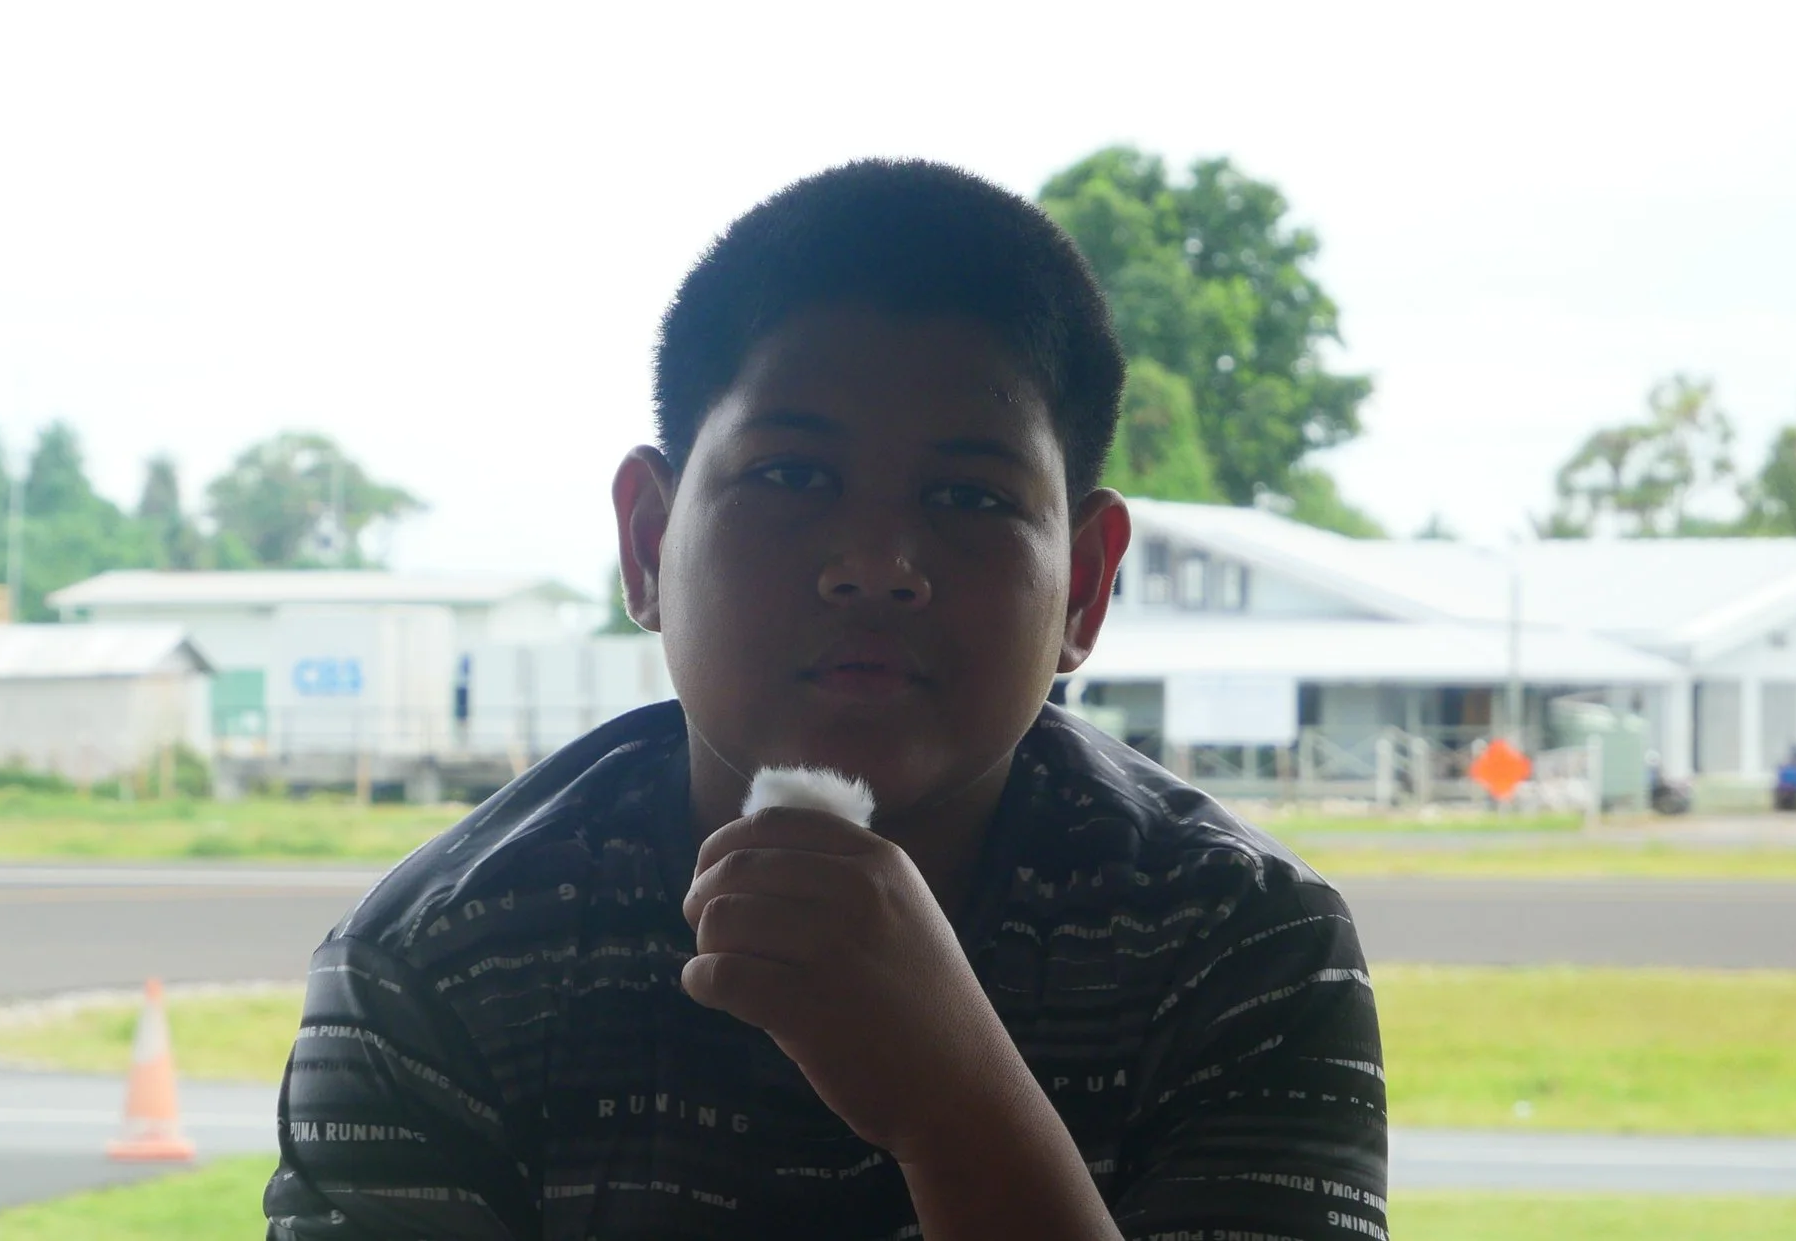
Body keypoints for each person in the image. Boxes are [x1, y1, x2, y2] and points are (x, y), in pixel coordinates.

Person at [264, 160, 1388, 1239]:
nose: (876, 561)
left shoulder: (1238, 952)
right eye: (791, 474)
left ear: (1084, 586)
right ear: (648, 541)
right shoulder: (442, 965)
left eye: (968, 494)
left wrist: (955, 1105)